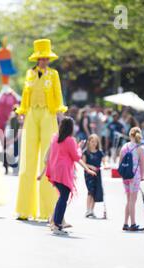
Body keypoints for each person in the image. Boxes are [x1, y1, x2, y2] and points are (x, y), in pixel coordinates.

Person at [15, 39, 68, 222]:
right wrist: (21, 113)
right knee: (28, 159)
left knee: (48, 159)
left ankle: (47, 211)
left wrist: (60, 116)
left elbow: (58, 94)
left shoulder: (53, 74)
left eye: (46, 58)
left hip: (48, 113)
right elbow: (24, 95)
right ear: (37, 59)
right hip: (31, 114)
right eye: (41, 58)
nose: (44, 61)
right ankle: (24, 210)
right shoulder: (29, 74)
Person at [37, 117, 96, 235]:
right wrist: (79, 148)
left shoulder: (55, 137)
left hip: (54, 171)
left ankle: (55, 222)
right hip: (63, 173)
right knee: (63, 198)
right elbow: (76, 157)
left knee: (61, 198)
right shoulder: (70, 140)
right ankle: (57, 224)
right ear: (71, 128)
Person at [119, 127, 144, 232]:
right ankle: (133, 224)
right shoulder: (140, 148)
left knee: (128, 200)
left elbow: (120, 162)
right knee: (132, 201)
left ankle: (125, 223)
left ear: (130, 135)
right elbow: (142, 165)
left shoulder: (124, 147)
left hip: (125, 176)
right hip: (135, 176)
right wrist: (142, 176)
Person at [82, 134, 108, 218]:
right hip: (88, 174)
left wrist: (106, 165)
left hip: (97, 174)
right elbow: (83, 163)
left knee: (95, 192)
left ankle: (91, 210)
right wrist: (90, 167)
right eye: (92, 141)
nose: (94, 143)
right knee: (90, 191)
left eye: (95, 142)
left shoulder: (100, 152)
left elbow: (104, 161)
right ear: (89, 142)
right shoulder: (86, 152)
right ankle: (87, 210)